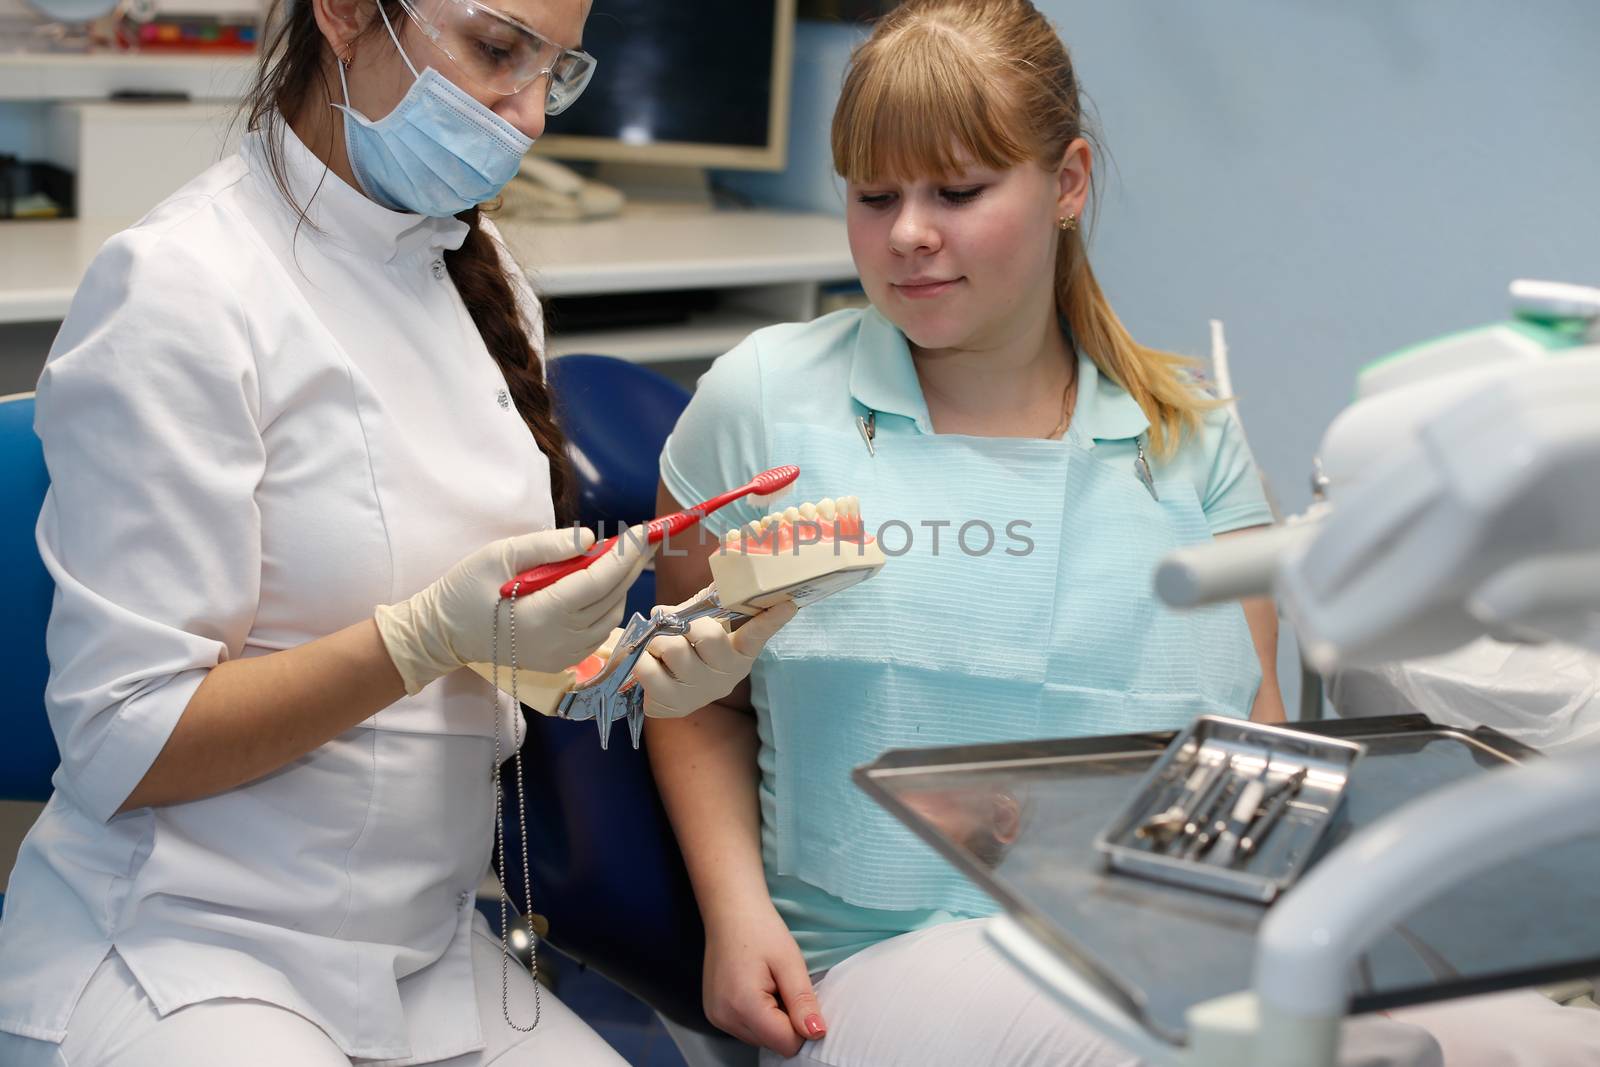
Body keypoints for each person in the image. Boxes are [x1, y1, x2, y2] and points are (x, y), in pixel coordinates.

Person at [645, 2, 1600, 1065]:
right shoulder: (764, 408)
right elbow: (693, 699)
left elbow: (1258, 750)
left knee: (1536, 1041)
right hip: (886, 961)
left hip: (1170, 939)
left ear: (1066, 182)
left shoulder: (1190, 436)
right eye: (875, 197)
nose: (908, 234)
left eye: (957, 191)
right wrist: (736, 915)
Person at [0, 0, 790, 1063]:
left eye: (555, 73)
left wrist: (624, 675)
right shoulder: (182, 289)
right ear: (343, 14)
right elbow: (122, 739)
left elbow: (484, 670)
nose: (527, 118)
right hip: (185, 950)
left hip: (419, 954)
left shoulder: (482, 272)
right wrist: (414, 640)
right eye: (498, 50)